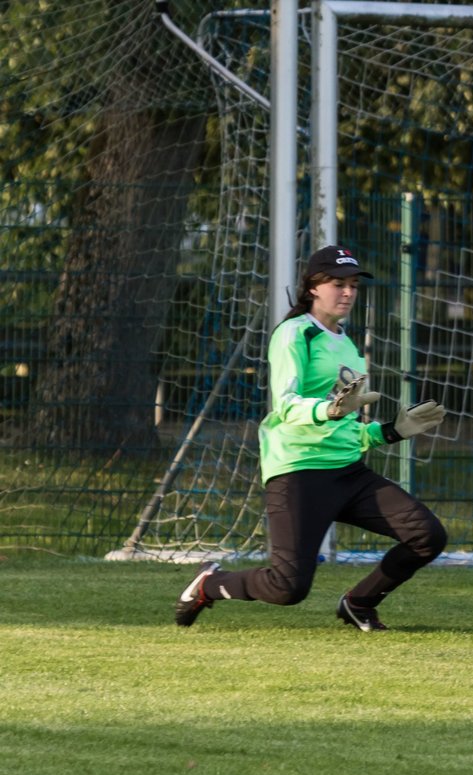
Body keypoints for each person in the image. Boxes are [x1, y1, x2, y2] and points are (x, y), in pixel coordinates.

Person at [173, 245, 448, 632]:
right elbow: (286, 405)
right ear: (313, 288)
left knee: (427, 536)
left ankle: (359, 603)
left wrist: (390, 431)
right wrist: (329, 410)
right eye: (338, 283)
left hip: (347, 473)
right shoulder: (293, 333)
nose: (348, 292)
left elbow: (344, 426)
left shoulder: (346, 343)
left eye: (353, 284)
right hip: (298, 473)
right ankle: (209, 584)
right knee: (287, 589)